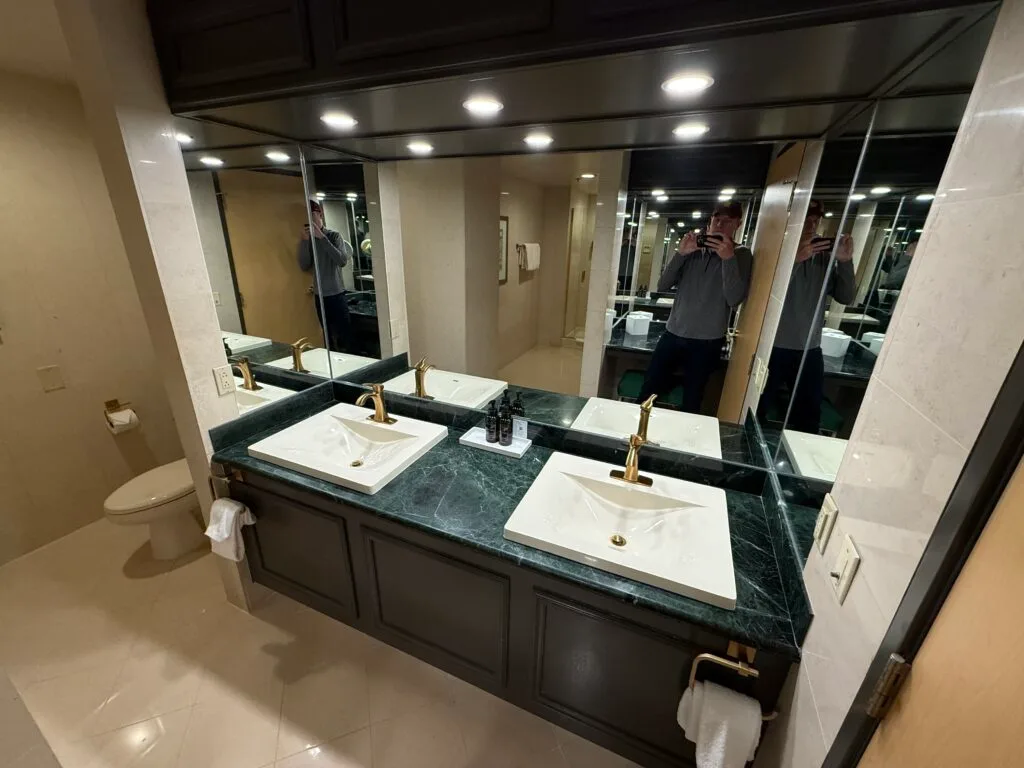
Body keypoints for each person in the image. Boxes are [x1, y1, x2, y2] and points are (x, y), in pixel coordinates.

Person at [638, 201, 753, 413]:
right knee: (648, 390)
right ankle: (638, 435)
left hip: (707, 342)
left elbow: (734, 299)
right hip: (673, 333)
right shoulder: (692, 250)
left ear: (738, 223)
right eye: (716, 219)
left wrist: (728, 259)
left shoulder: (742, 255)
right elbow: (662, 286)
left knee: (692, 399)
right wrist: (681, 254)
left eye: (727, 221)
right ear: (709, 221)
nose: (719, 224)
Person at [758, 200, 855, 433]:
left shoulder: (824, 257)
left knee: (809, 414)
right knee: (756, 408)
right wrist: (794, 261)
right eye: (807, 218)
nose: (812, 224)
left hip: (809, 349)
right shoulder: (775, 250)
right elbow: (763, 296)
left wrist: (844, 262)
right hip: (772, 346)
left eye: (816, 219)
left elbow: (845, 297)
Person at [297, 200, 353, 352]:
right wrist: (303, 242)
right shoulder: (308, 240)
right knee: (327, 336)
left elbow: (342, 260)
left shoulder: (334, 236)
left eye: (313, 214)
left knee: (345, 334)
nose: (310, 218)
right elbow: (304, 265)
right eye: (307, 216)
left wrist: (322, 237)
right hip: (319, 296)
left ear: (320, 214)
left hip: (337, 294)